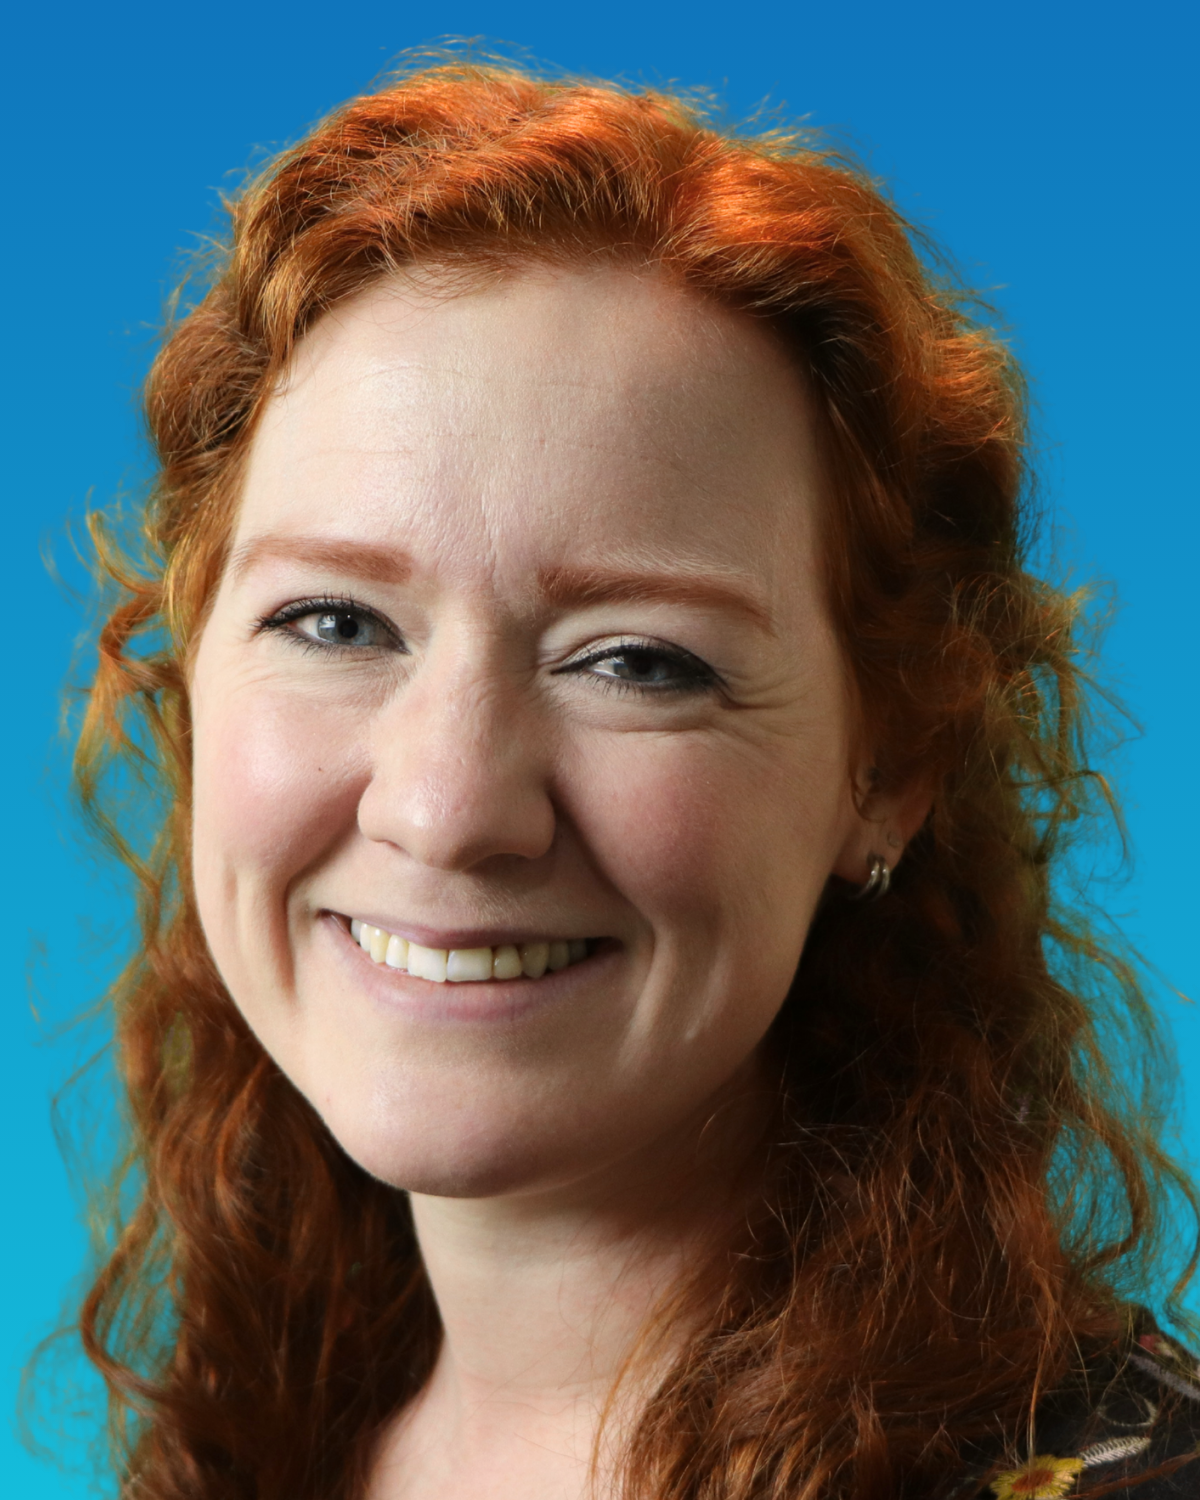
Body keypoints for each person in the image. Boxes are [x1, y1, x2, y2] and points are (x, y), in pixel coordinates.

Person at [64, 60, 1200, 1500]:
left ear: (890, 766)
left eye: (639, 663)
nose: (448, 806)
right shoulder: (259, 1451)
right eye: (336, 623)